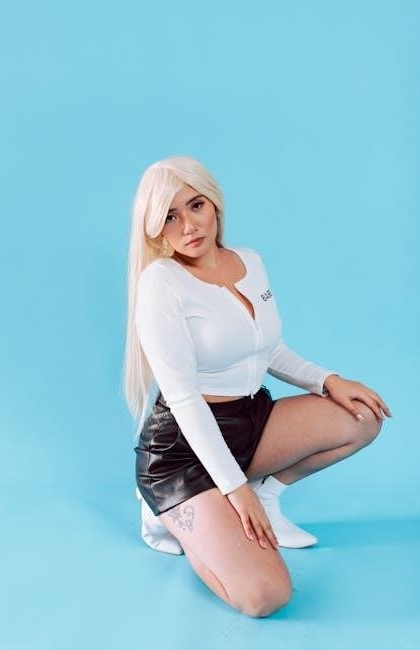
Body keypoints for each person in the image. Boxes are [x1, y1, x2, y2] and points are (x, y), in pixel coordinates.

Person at [123, 155, 392, 617]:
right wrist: (234, 490)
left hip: (251, 423)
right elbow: (184, 398)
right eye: (169, 216)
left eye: (195, 205)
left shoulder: (249, 261)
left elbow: (267, 349)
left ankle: (267, 496)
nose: (189, 225)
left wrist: (329, 380)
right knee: (266, 595)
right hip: (182, 453)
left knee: (363, 417)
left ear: (215, 203)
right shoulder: (161, 283)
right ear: (155, 229)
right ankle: (165, 513)